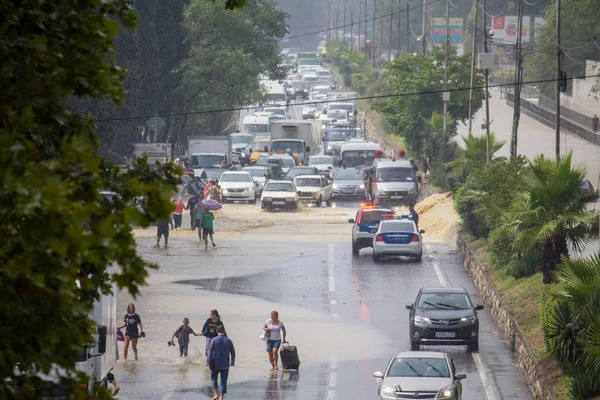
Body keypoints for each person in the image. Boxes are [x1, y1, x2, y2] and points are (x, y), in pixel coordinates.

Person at [207, 325, 235, 400]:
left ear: (217, 331)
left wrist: (208, 362)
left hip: (215, 363)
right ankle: (221, 396)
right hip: (225, 364)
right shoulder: (228, 340)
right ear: (224, 331)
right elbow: (233, 352)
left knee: (213, 378)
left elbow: (210, 351)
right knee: (223, 380)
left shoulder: (214, 340)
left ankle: (215, 393)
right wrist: (232, 362)